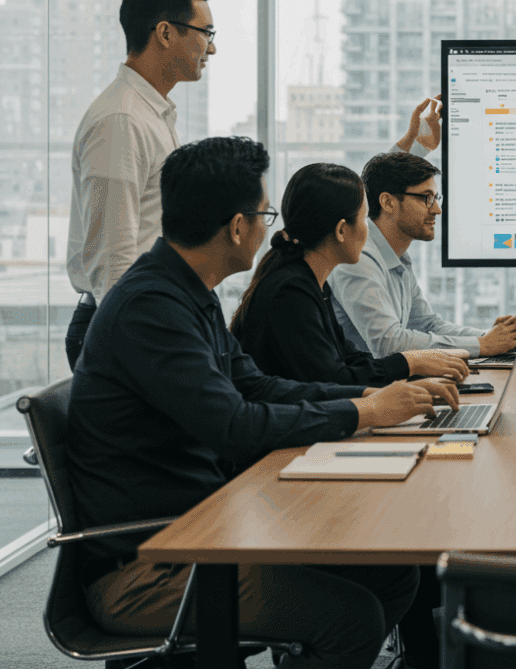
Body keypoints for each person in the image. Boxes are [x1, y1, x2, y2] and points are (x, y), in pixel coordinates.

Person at [66, 136, 457, 669]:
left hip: (205, 525)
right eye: (263, 213)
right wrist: (364, 412)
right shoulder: (151, 309)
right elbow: (234, 426)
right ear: (236, 226)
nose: (269, 226)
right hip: (152, 562)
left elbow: (258, 386)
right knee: (354, 617)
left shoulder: (185, 293)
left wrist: (371, 397)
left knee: (393, 575)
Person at [65, 0, 217, 371]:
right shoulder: (122, 119)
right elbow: (112, 257)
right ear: (166, 32)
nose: (211, 49)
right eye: (206, 33)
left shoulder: (151, 113)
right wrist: (143, 338)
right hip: (122, 324)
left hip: (142, 316)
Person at [230, 162, 469, 388]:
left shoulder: (311, 284)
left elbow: (349, 359)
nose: (369, 230)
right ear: (342, 230)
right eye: (364, 219)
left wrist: (414, 365)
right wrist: (410, 363)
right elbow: (334, 380)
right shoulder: (290, 292)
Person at [330, 97, 516, 359]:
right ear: (387, 203)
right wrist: (483, 346)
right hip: (366, 392)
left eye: (436, 199)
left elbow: (426, 325)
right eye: (426, 199)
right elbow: (388, 343)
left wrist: (487, 338)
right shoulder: (359, 259)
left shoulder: (396, 258)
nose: (436, 210)